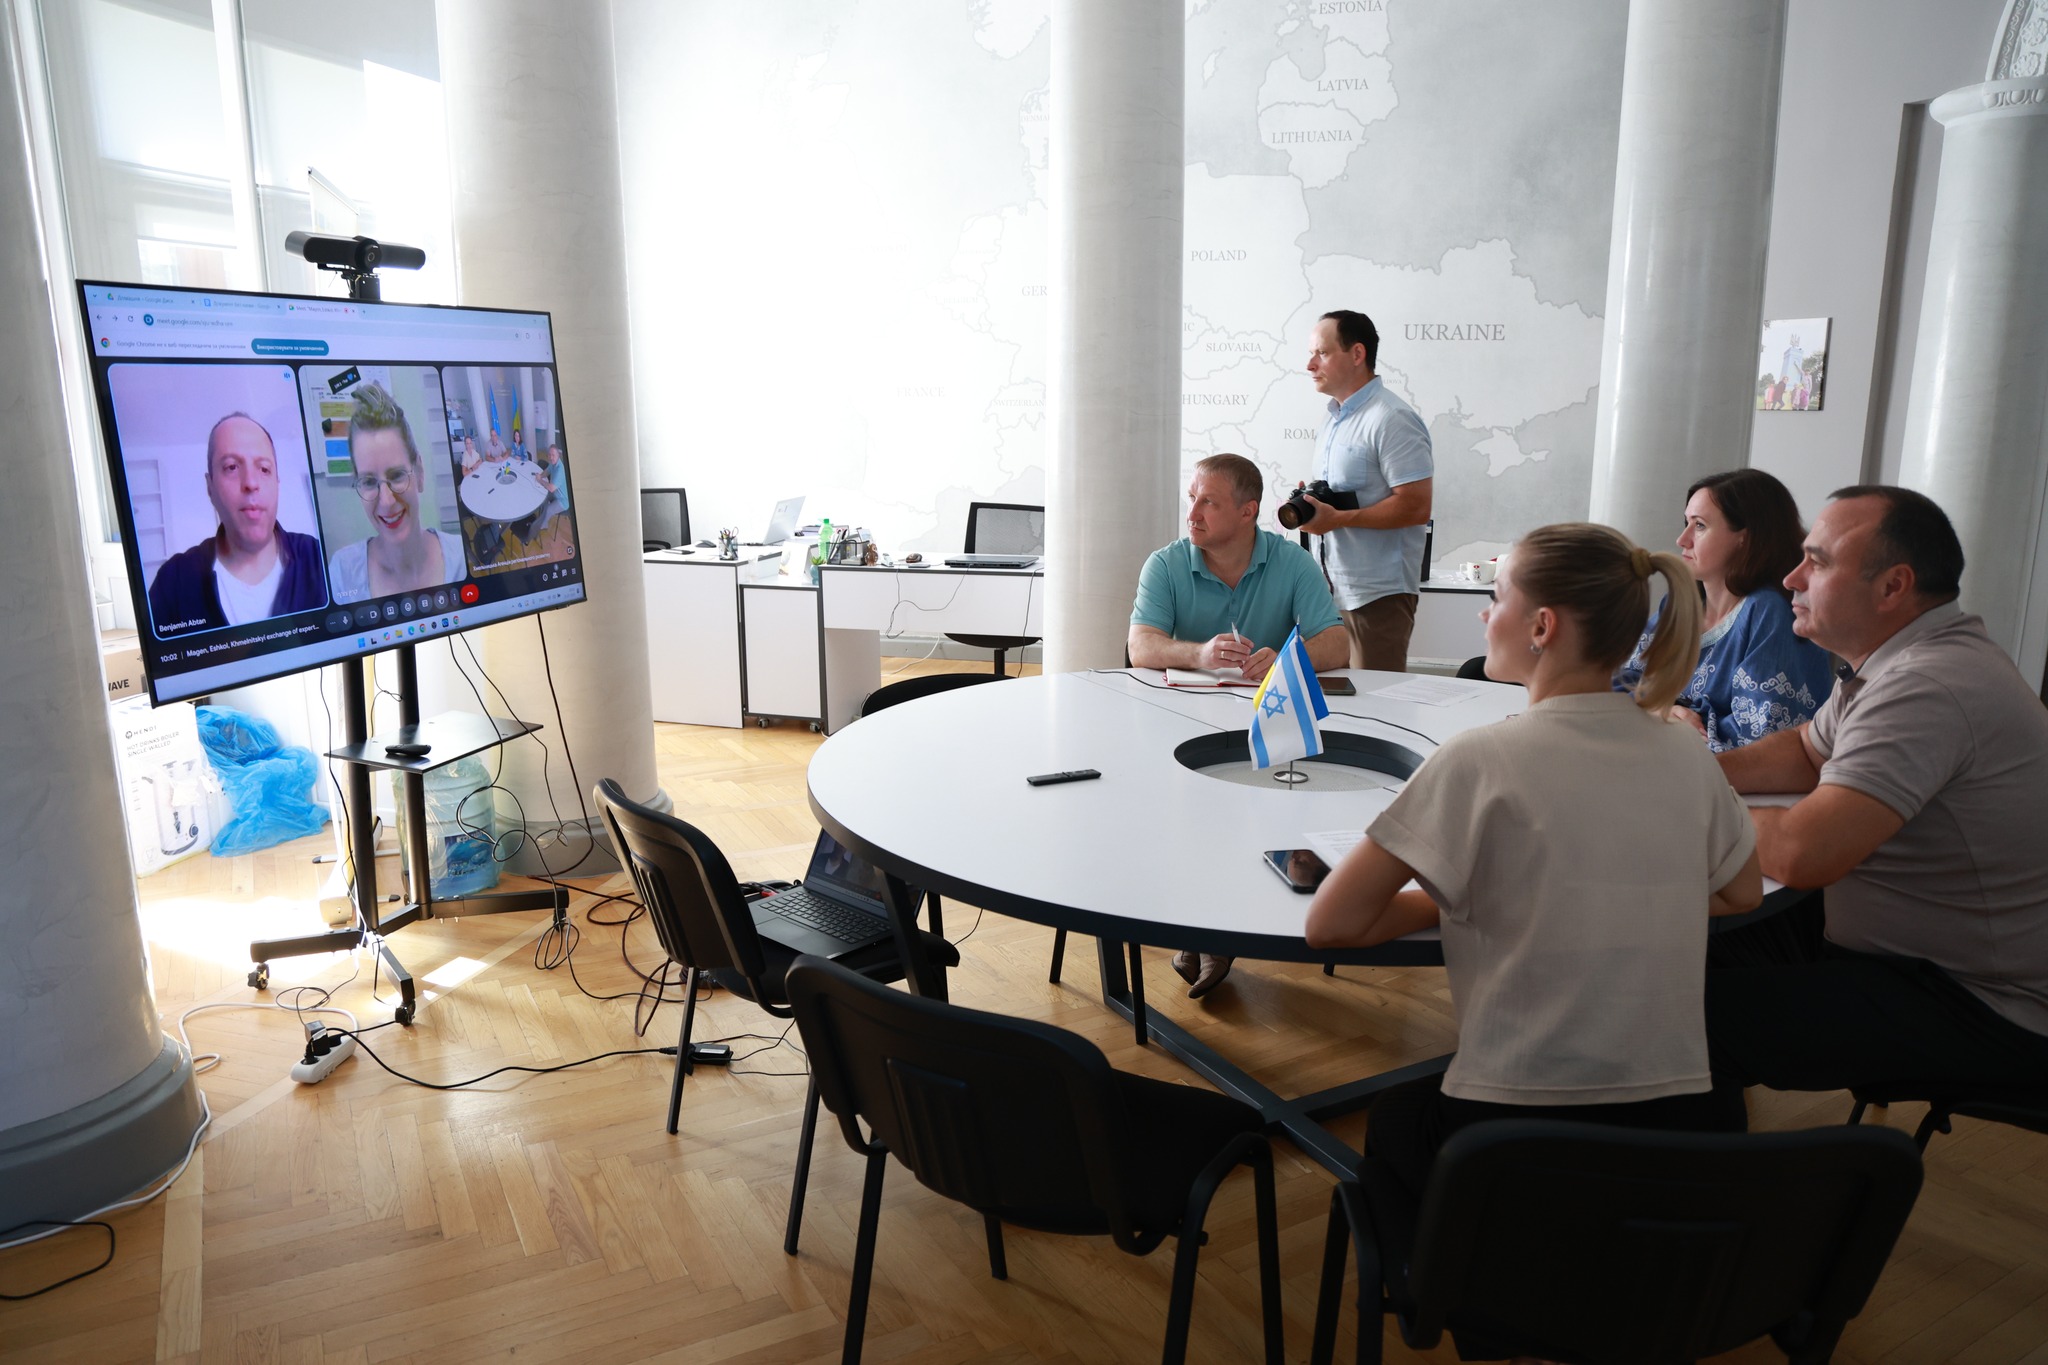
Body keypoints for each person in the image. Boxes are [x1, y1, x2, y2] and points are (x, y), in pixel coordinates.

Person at [1303, 523, 1760, 1306]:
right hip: (1687, 1124)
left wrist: (1457, 895)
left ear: (1542, 625)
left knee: (1398, 1118)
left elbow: (1332, 925)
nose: (1486, 616)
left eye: (1495, 598)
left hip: (1511, 1132)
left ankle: (1485, 1305)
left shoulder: (1479, 758)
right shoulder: (1687, 752)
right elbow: (1740, 892)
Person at [1707, 486, 2048, 1115]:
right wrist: (1693, 773)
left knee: (1673, 1015)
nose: (1791, 578)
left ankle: (1692, 1169)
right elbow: (1806, 752)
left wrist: (1682, 805)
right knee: (1677, 952)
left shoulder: (1926, 685)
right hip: (1910, 954)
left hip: (1978, 1001)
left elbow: (1804, 853)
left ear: (1893, 587)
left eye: (1817, 562)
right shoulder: (1899, 661)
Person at [1129, 452, 1348, 999]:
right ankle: (1206, 930)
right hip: (1174, 727)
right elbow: (1141, 646)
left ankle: (1212, 931)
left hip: (1266, 731)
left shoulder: (1291, 563)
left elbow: (1337, 643)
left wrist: (1287, 658)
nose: (1192, 514)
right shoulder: (1166, 564)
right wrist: (1199, 653)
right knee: (1189, 809)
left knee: (1261, 802)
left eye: (1208, 502)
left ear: (1248, 512)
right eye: (1191, 500)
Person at [1615, 469, 1833, 752]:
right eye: (1686, 523)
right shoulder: (1679, 604)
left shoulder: (1769, 612)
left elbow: (1761, 736)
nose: (1682, 539)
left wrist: (1668, 719)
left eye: (1700, 525)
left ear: (1745, 537)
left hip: (1728, 777)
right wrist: (1660, 711)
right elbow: (1619, 685)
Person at [1292, 309, 1434, 672]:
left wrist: (1338, 519)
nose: (1310, 365)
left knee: (1375, 700)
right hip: (1329, 591)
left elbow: (1416, 506)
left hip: (1376, 595)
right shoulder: (1333, 420)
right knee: (1331, 699)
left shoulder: (1392, 419)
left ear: (1357, 354)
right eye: (1311, 354)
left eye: (1322, 353)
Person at [147, 412, 326, 635]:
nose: (250, 483)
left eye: (264, 469)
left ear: (277, 483)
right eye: (232, 467)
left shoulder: (321, 562)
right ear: (210, 487)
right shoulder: (173, 583)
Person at [326, 381, 467, 603]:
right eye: (369, 482)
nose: (386, 500)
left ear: (419, 472)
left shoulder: (462, 559)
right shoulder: (343, 574)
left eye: (397, 475)